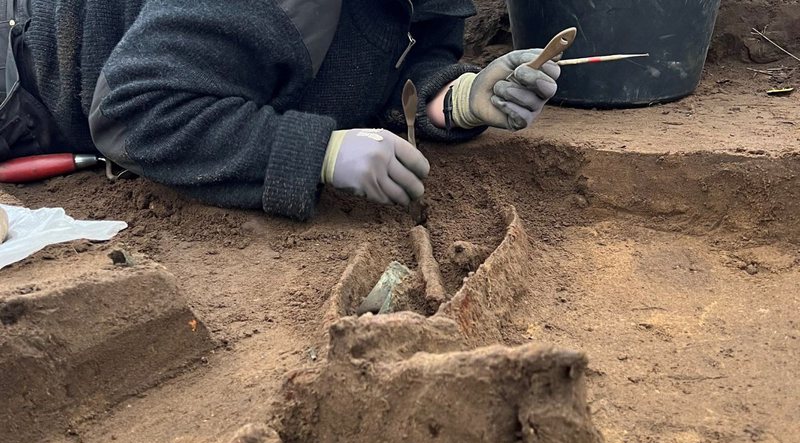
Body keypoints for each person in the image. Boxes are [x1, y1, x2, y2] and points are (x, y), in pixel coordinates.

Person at [0, 0, 559, 220]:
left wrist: (455, 99)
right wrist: (316, 152)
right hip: (31, 84)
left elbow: (414, 48)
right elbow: (134, 109)